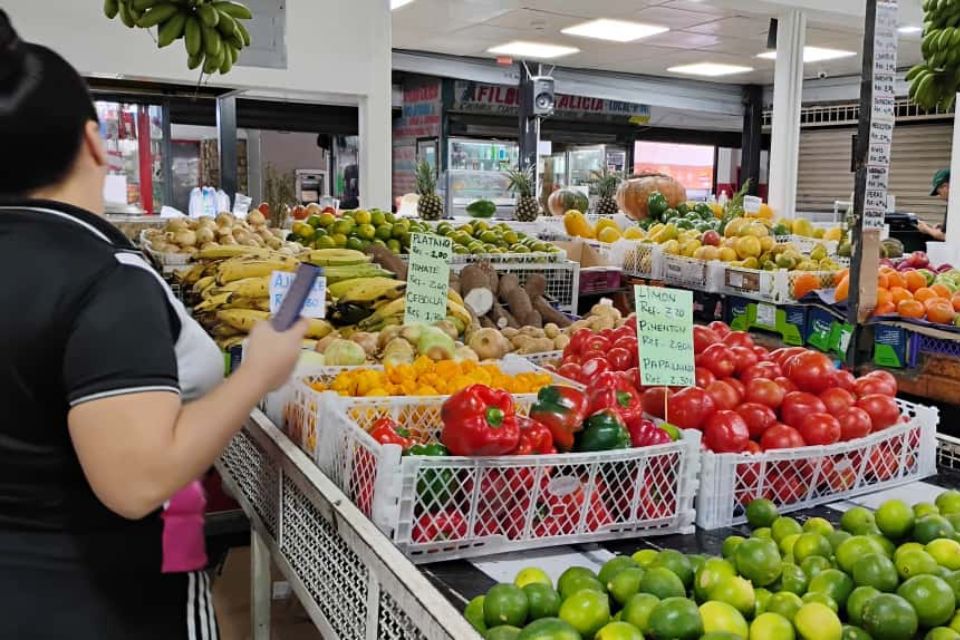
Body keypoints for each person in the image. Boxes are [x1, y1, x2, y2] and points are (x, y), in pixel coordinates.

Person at [0, 11, 307, 639]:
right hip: (107, 600)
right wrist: (257, 372)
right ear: (93, 142)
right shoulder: (103, 280)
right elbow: (137, 482)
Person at [918, 168, 949, 241]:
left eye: (939, 191)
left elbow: (945, 236)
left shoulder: (955, 205)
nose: (939, 195)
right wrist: (944, 227)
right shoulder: (953, 204)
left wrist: (926, 229)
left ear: (946, 186)